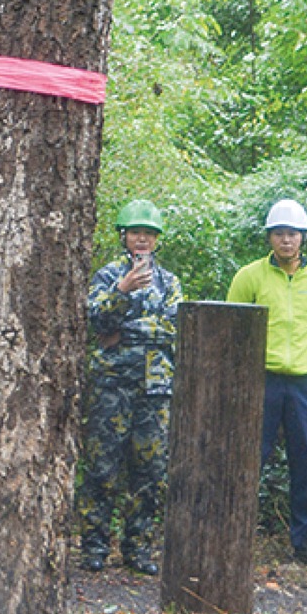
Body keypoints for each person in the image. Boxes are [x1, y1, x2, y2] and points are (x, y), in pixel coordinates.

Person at [227, 198, 307, 567]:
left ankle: (305, 543)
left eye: (292, 234)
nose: (285, 240)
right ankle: (235, 537)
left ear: (303, 237)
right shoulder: (250, 276)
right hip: (262, 381)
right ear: (269, 238)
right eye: (278, 234)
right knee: (249, 459)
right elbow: (234, 325)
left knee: (306, 459)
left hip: (304, 382)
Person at [79, 199, 183, 576]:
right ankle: (93, 546)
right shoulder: (107, 276)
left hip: (155, 387)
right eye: (136, 232)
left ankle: (138, 549)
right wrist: (122, 291)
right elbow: (93, 320)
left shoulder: (170, 282)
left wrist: (122, 332)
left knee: (150, 471)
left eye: (149, 234)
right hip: (111, 384)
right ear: (124, 236)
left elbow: (173, 328)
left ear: (157, 240)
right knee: (101, 467)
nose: (142, 239)